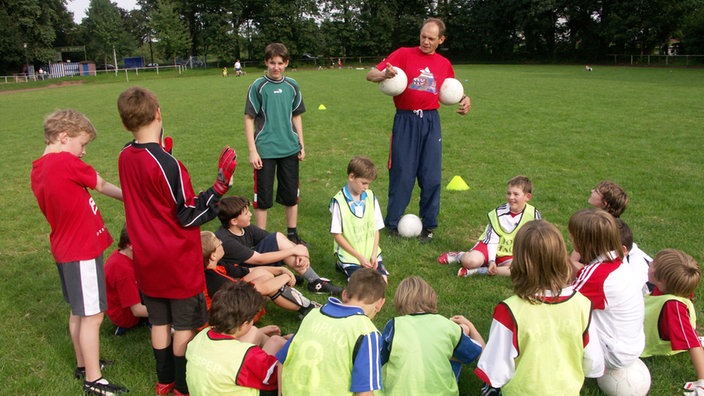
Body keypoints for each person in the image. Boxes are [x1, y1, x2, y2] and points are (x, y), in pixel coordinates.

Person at [117, 86, 238, 396]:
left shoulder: (124, 155)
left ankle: (164, 379)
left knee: (160, 320)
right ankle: (182, 387)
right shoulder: (168, 164)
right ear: (158, 113)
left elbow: (154, 199)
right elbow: (187, 215)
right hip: (176, 258)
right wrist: (218, 189)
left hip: (145, 256)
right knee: (182, 324)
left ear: (125, 123)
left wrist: (162, 153)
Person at [30, 109, 127, 395]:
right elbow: (101, 184)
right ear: (63, 137)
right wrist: (133, 198)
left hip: (65, 247)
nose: (83, 152)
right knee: (93, 316)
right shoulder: (64, 162)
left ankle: (84, 364)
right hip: (81, 249)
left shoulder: (39, 167)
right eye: (82, 144)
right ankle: (94, 380)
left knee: (79, 311)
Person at [366, 17, 471, 243]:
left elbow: (449, 90)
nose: (425, 41)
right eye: (423, 36)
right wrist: (384, 75)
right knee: (402, 174)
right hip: (405, 120)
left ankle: (429, 225)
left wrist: (464, 98)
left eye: (431, 38)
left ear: (441, 39)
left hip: (431, 122)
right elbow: (371, 74)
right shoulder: (403, 54)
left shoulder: (444, 64)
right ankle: (393, 223)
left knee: (431, 176)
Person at [476, 220, 604, 396]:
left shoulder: (510, 311)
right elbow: (593, 362)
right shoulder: (583, 304)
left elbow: (494, 371)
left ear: (519, 262)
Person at [277, 268, 387, 395]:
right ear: (380, 303)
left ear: (344, 294)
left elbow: (282, 360)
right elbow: (365, 392)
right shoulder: (367, 332)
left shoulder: (313, 314)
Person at [215, 195, 343, 296]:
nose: (250, 214)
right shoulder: (225, 239)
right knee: (280, 242)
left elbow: (277, 241)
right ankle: (315, 282)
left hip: (250, 265)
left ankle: (314, 281)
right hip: (239, 274)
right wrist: (295, 250)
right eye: (246, 213)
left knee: (278, 239)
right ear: (234, 221)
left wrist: (301, 253)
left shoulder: (244, 228)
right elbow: (258, 259)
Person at [245, 42, 307, 244]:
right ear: (266, 62)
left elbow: (297, 116)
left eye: (280, 63)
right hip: (265, 150)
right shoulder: (258, 86)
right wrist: (253, 151)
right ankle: (261, 238)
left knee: (291, 194)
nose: (276, 67)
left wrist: (302, 144)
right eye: (272, 62)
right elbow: (249, 118)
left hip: (289, 148)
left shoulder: (293, 85)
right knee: (263, 197)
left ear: (286, 63)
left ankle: (292, 234)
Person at [380, 276, 484, 395]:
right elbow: (474, 352)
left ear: (399, 300)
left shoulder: (394, 325)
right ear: (431, 297)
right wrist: (469, 328)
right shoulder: (448, 325)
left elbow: (380, 358)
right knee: (458, 348)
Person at [570, 209, 645, 373]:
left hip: (612, 353)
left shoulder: (599, 275)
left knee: (556, 320)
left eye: (573, 236)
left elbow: (563, 303)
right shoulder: (616, 262)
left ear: (584, 243)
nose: (571, 240)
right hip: (630, 346)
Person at [186, 281, 287, 395]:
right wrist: (290, 345)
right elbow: (273, 377)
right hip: (246, 382)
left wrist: (259, 331)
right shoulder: (245, 356)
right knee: (276, 341)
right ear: (244, 324)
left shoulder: (201, 336)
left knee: (258, 334)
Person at [438, 175, 540, 277]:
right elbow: (492, 239)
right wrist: (491, 260)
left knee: (521, 269)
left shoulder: (534, 214)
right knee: (471, 262)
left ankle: (479, 271)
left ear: (527, 197)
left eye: (516, 194)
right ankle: (459, 256)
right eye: (509, 193)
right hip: (489, 246)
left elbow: (535, 239)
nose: (511, 197)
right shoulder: (498, 213)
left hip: (510, 252)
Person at [200, 231, 319, 317]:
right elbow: (260, 287)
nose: (222, 243)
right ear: (213, 255)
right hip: (229, 318)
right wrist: (286, 276)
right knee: (268, 284)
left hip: (232, 302)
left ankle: (306, 304)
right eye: (218, 242)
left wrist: (281, 270)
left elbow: (249, 271)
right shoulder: (215, 279)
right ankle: (308, 309)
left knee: (262, 274)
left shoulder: (218, 266)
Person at [641, 249, 704, 394]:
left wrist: (702, 380)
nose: (649, 263)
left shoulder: (673, 307)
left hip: (654, 346)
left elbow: (691, 341)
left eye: (653, 264)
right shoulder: (663, 289)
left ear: (662, 280)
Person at [330, 156, 389, 281]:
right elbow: (337, 235)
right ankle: (343, 264)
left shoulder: (370, 196)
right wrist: (359, 258)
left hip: (370, 254)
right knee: (363, 286)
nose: (366, 187)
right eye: (364, 183)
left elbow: (376, 229)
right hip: (351, 256)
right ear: (352, 177)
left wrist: (373, 255)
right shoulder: (339, 202)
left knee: (382, 282)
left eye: (369, 184)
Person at [104, 225, 149, 336]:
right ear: (130, 246)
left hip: (123, 304)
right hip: (127, 316)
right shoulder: (124, 272)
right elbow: (137, 310)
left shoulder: (122, 255)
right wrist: (167, 312)